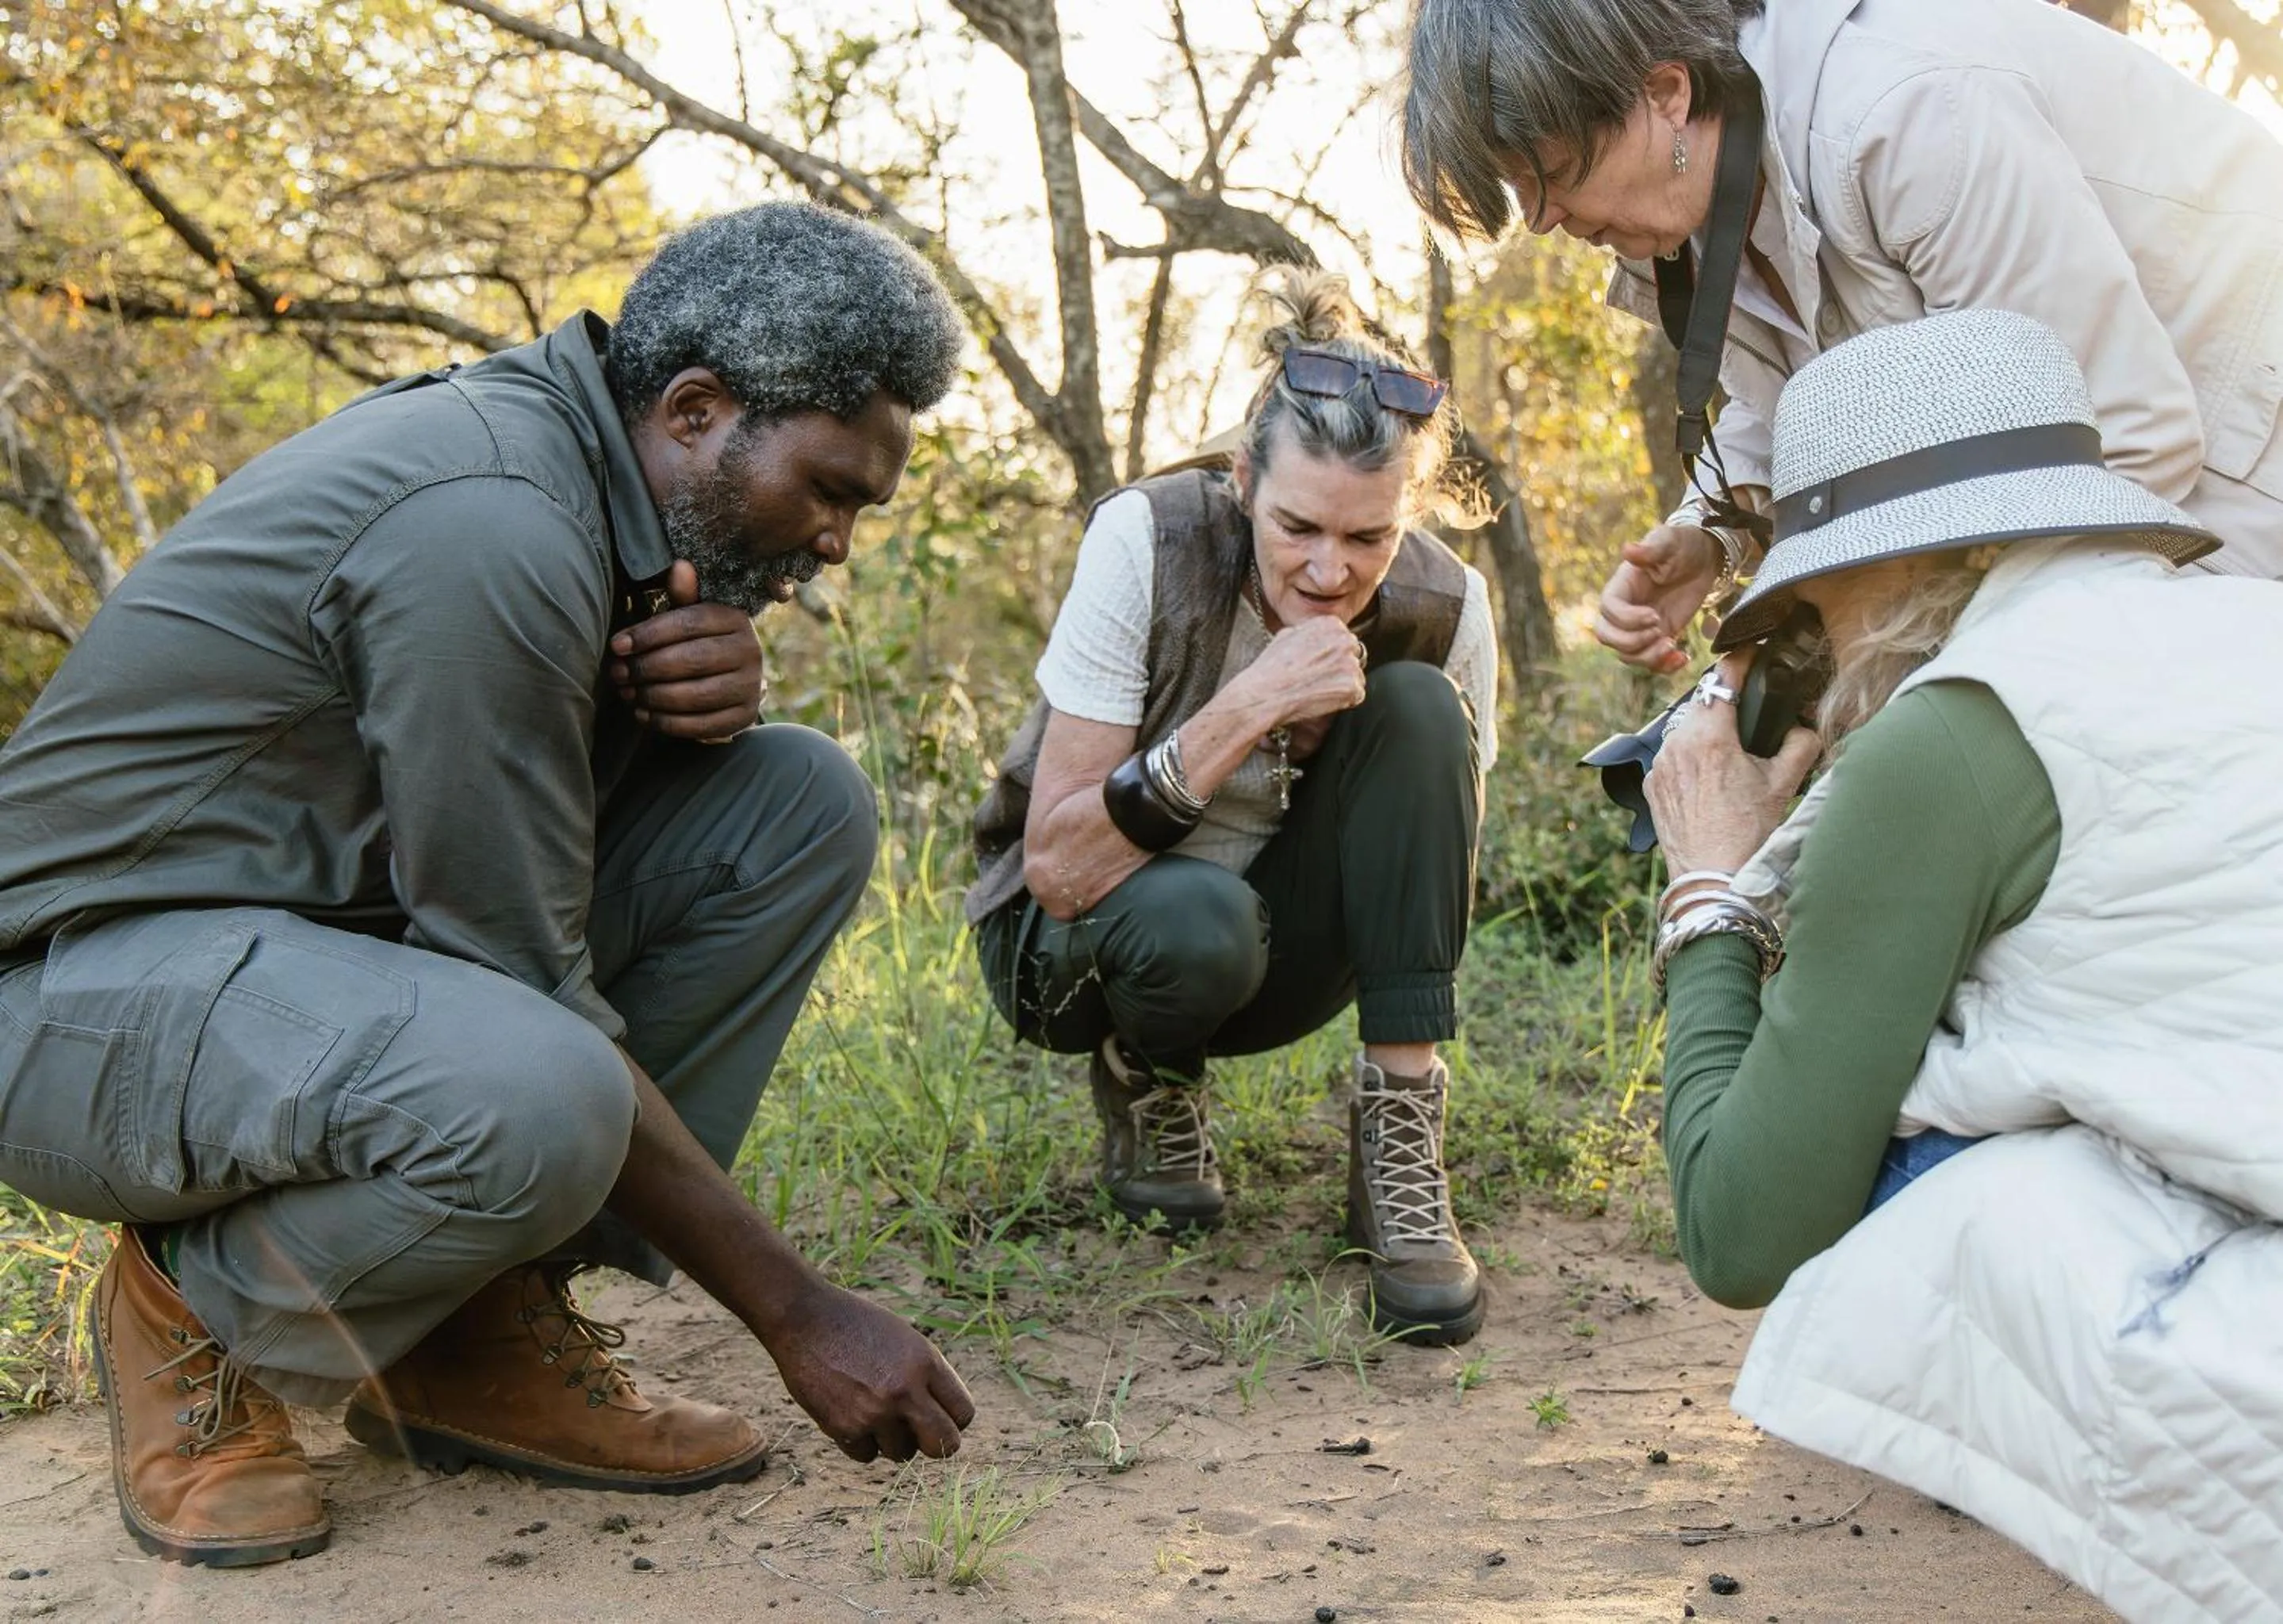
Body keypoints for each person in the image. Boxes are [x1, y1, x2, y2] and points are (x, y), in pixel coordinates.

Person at [0, 201, 980, 1567]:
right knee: (539, 1082)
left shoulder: (594, 479)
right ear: (694, 409)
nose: (833, 543)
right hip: (65, 1004)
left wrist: (671, 694)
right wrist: (797, 1308)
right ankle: (196, 1310)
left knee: (792, 803)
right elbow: (521, 975)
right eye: (826, 491)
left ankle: (465, 1334)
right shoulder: (494, 519)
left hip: (277, 963)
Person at [1639, 308, 2283, 1616]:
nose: (1810, 632)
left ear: (1913, 558)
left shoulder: (1945, 741)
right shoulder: (2239, 628)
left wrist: (1707, 888)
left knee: (1895, 1168)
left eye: (1814, 588)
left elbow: (1738, 1228)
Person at [1399, 0, 2283, 673]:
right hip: (2149, 500)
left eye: (1550, 176)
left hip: (2238, 459)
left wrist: (1886, 654)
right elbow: (1799, 397)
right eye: (1521, 192)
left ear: (1665, 94)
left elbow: (2115, 441)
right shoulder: (1693, 205)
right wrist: (1713, 536)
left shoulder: (1907, 116)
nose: (1544, 221)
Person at [966, 274, 1498, 1345]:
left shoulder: (1449, 607)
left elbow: (1431, 875)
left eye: (1368, 539)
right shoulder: (1144, 541)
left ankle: (1395, 1147)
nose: (1327, 568)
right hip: (1071, 945)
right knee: (1192, 921)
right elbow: (1060, 869)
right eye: (1297, 525)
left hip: (1282, 948)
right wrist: (1251, 705)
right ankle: (1146, 1078)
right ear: (1242, 478)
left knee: (1417, 708)